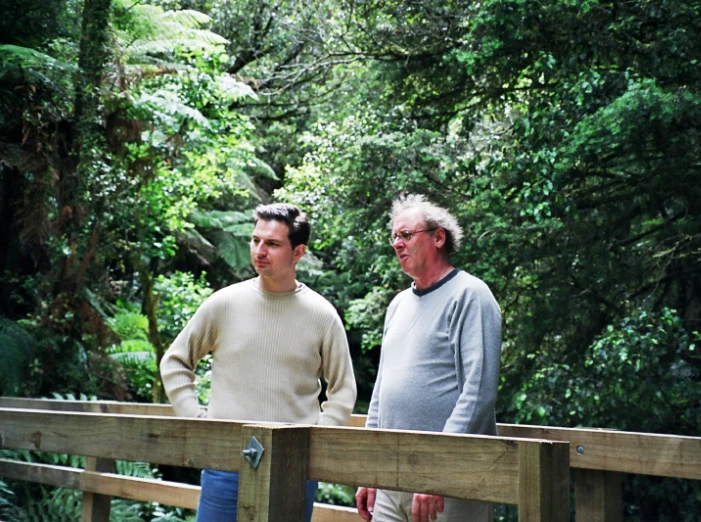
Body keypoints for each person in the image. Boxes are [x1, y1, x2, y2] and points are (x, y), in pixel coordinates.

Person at [160, 203, 357, 522]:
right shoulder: (223, 304)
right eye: (255, 241)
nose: (260, 250)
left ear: (298, 252)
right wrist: (196, 418)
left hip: (292, 467)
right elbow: (176, 362)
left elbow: (343, 390)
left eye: (273, 244)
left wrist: (314, 444)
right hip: (226, 462)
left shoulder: (322, 315)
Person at [355, 194, 502, 522]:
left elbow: (478, 393)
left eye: (406, 235)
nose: (397, 243)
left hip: (449, 483)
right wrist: (370, 470)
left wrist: (439, 469)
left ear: (438, 237)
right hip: (391, 482)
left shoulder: (470, 295)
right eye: (394, 236)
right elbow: (381, 393)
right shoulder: (397, 305)